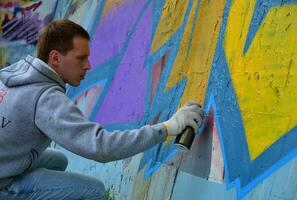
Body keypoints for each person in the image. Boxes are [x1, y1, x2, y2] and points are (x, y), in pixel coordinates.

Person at [0, 19, 203, 200]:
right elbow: (101, 147)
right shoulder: (45, 98)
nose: (88, 66)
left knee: (56, 160)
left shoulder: (13, 76)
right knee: (94, 191)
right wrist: (168, 128)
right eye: (81, 58)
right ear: (55, 58)